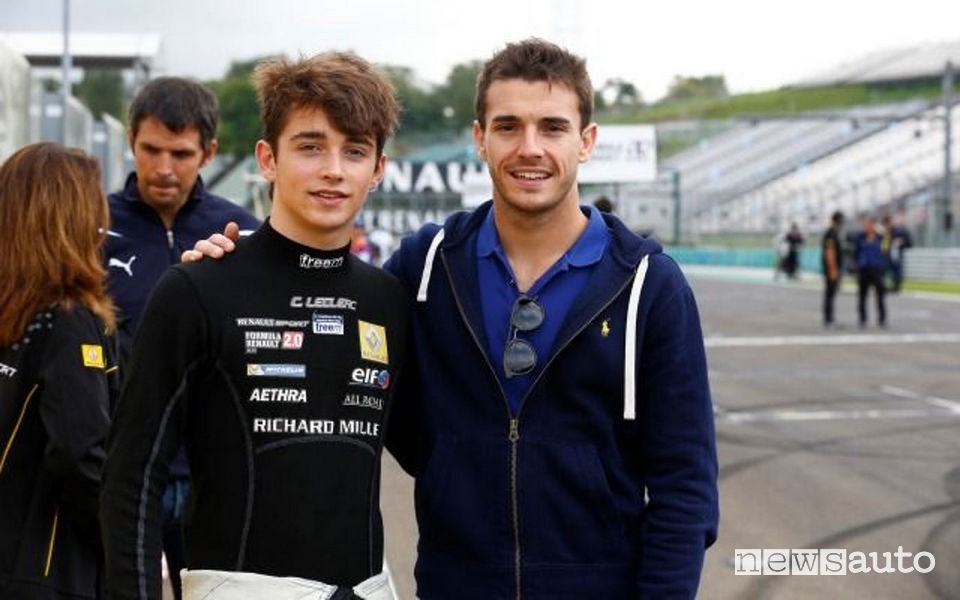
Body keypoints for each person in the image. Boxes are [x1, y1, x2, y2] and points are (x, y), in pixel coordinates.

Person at [189, 38, 719, 599]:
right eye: (509, 126)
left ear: (586, 142)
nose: (530, 148)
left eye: (553, 128)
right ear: (480, 139)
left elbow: (684, 491)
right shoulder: (425, 266)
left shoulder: (648, 286)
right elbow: (330, 315)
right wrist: (231, 272)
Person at [101, 52, 407, 600]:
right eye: (310, 146)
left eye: (354, 150)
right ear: (268, 158)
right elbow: (132, 478)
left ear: (378, 168)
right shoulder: (196, 288)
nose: (333, 169)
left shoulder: (387, 299)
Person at [104, 76, 261, 599]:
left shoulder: (240, 232)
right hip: (122, 476)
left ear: (209, 152)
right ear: (131, 141)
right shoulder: (91, 226)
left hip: (209, 479)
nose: (164, 168)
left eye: (181, 152)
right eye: (150, 149)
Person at [0, 143, 119, 599]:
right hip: (48, 573)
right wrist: (121, 540)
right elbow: (80, 454)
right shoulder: (69, 320)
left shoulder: (18, 313)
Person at [853, 213, 887, 328]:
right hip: (864, 269)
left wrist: (883, 266)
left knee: (880, 295)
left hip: (876, 269)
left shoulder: (880, 237)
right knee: (862, 295)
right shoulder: (860, 237)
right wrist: (858, 265)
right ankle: (862, 320)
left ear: (873, 225)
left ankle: (882, 319)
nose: (866, 226)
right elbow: (855, 253)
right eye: (865, 223)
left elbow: (885, 253)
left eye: (868, 223)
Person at [821, 210, 846, 328]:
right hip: (832, 269)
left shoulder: (834, 233)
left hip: (833, 268)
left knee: (831, 294)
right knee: (830, 294)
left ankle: (830, 318)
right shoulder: (831, 234)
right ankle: (829, 319)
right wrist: (833, 269)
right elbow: (830, 252)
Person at [881, 212, 912, 293]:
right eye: (886, 223)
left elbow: (908, 243)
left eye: (888, 222)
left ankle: (896, 286)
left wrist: (900, 242)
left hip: (895, 255)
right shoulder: (882, 233)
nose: (887, 225)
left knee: (896, 271)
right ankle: (885, 286)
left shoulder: (899, 231)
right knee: (884, 271)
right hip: (885, 256)